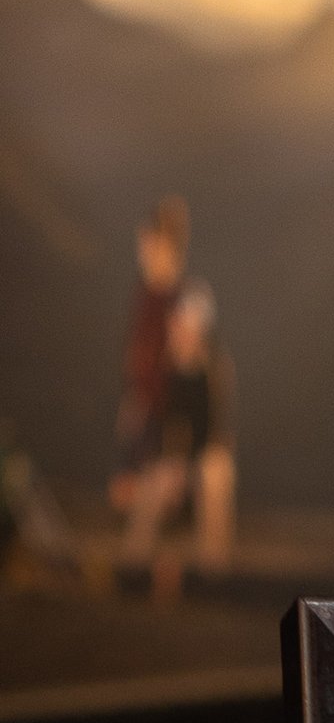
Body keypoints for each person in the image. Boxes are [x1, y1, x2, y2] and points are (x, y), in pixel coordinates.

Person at [115, 281, 237, 588]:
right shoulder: (159, 370)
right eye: (180, 323)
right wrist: (131, 469)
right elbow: (143, 426)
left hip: (201, 456)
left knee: (216, 473)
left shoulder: (213, 370)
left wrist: (190, 464)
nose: (183, 333)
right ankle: (131, 574)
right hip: (166, 458)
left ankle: (214, 577)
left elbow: (216, 430)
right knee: (152, 486)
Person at [108, 197, 189, 518]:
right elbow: (138, 356)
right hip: (145, 408)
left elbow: (181, 368)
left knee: (156, 498)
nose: (142, 253)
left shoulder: (181, 298)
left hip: (164, 415)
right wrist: (133, 399)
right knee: (126, 496)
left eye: (148, 244)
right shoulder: (145, 295)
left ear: (164, 246)